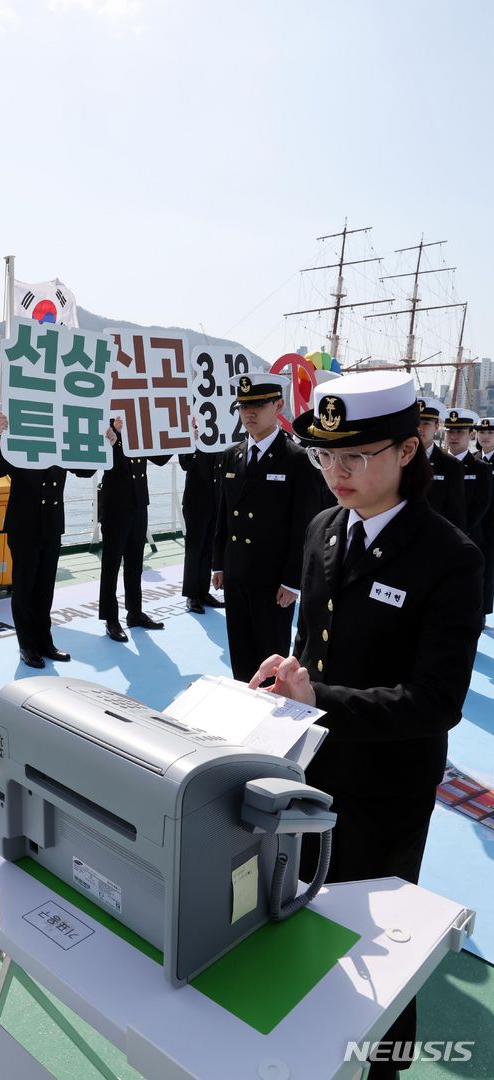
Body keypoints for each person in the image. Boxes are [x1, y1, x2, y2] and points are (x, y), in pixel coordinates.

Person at [250, 370, 483, 1079]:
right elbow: (316, 642)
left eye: (355, 456)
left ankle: (384, 1066)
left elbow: (435, 701)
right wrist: (289, 677)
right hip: (310, 771)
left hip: (387, 791)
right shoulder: (324, 528)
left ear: (409, 451)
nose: (335, 473)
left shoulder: (450, 558)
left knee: (379, 945)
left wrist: (318, 697)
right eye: (324, 456)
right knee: (305, 923)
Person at [211, 372, 321, 681]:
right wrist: (219, 562)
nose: (250, 413)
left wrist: (292, 580)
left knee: (270, 660)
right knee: (241, 654)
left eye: (259, 404)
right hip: (236, 574)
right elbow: (224, 515)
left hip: (274, 582)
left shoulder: (297, 459)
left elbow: (305, 525)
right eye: (244, 406)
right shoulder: (231, 456)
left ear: (279, 406)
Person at [0, 413, 94, 668]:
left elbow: (85, 470)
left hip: (51, 523)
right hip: (24, 523)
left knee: (46, 586)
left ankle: (45, 642)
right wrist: (0, 435)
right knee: (25, 587)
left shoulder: (64, 437)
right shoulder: (19, 435)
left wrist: (101, 442)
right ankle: (27, 646)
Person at [98, 417, 171, 642]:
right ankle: (111, 619)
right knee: (111, 564)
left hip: (139, 502)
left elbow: (159, 459)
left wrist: (182, 440)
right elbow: (103, 462)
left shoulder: (141, 423)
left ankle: (135, 612)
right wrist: (114, 437)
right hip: (116, 505)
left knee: (135, 562)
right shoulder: (107, 425)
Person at [178, 419, 225, 614]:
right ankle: (192, 595)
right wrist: (191, 440)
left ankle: (203, 592)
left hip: (216, 499)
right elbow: (184, 463)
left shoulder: (222, 433)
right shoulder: (190, 433)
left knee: (208, 548)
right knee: (194, 548)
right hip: (196, 500)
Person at [443, 407, 491, 546]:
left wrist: (458, 530)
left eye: (460, 432)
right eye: (450, 431)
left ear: (471, 434)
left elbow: (480, 505)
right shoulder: (434, 465)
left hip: (468, 538)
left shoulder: (481, 468)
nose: (453, 436)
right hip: (436, 536)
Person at [415, 396, 466, 528]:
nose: (420, 428)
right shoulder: (397, 460)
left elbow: (456, 512)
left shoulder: (452, 465)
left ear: (437, 426)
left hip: (436, 537)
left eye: (426, 423)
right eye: (416, 422)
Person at [474, 416, 494, 622]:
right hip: (475, 523)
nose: (485, 436)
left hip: (492, 524)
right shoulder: (473, 460)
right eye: (482, 432)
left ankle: (483, 613)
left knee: (488, 571)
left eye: (490, 432)